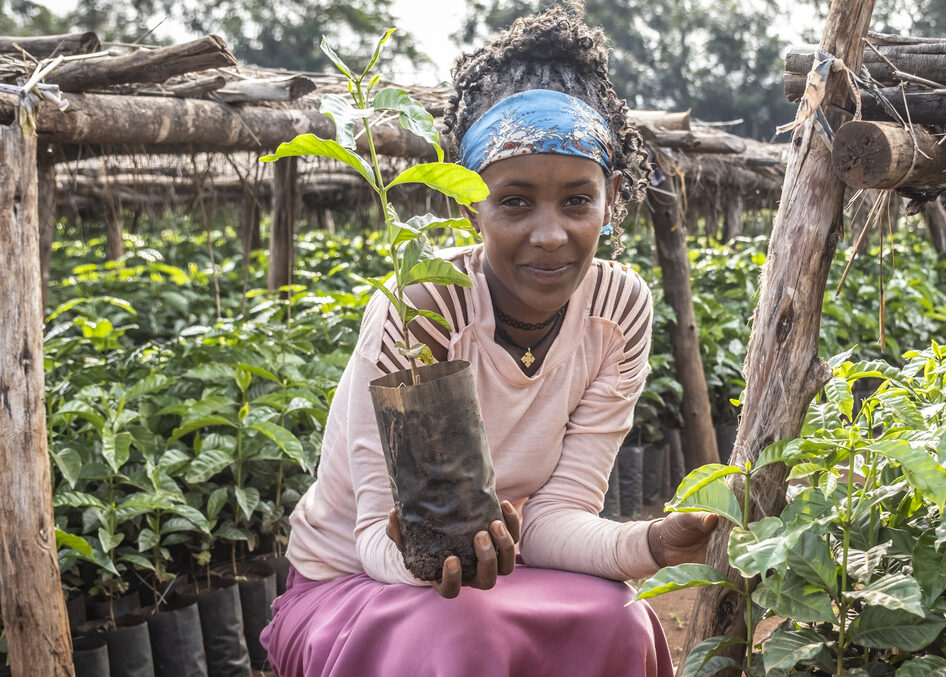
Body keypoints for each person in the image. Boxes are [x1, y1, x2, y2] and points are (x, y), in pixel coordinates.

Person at [259, 6, 719, 675]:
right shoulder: (424, 305)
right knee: (460, 633)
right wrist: (429, 551)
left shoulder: (618, 310)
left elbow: (555, 515)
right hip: (357, 582)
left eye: (576, 201)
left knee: (621, 621)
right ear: (467, 202)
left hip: (510, 565)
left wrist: (649, 541)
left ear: (612, 195)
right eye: (514, 201)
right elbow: (372, 539)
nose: (550, 234)